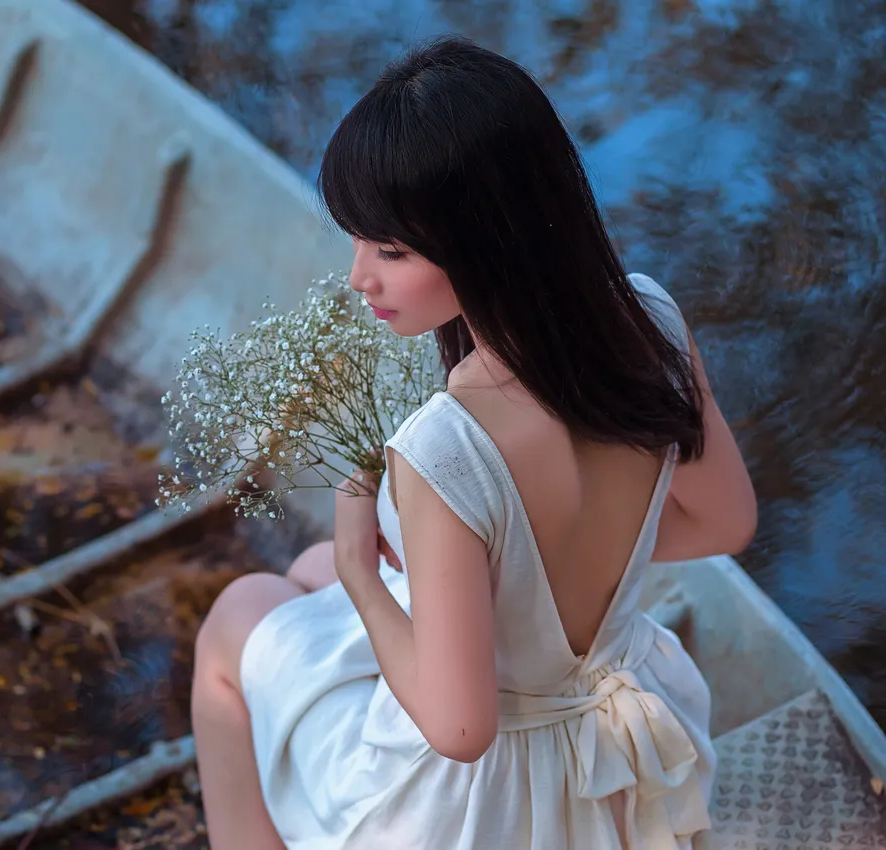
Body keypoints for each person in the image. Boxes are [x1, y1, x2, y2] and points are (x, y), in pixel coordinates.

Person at [189, 34, 759, 850]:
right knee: (302, 576)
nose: (360, 277)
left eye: (391, 250)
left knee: (240, 616)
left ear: (486, 242)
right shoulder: (649, 321)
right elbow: (725, 523)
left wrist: (359, 569)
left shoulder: (446, 445)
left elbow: (462, 731)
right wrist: (555, 560)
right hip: (613, 729)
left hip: (484, 806)